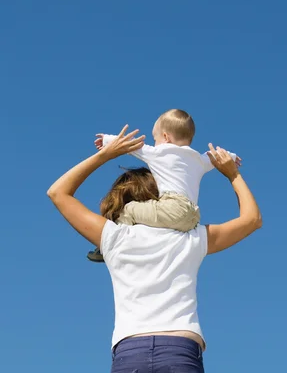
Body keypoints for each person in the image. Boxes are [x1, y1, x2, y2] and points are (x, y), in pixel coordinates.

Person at [47, 125, 262, 373]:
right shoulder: (190, 238)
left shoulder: (114, 237)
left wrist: (106, 154)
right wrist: (232, 174)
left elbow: (58, 192)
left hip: (130, 351)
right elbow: (252, 220)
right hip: (180, 350)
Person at [88, 108, 240, 262]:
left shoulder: (159, 153)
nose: (154, 144)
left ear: (166, 137)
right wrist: (232, 157)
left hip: (172, 207)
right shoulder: (199, 160)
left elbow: (131, 145)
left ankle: (109, 245)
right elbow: (216, 155)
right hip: (193, 217)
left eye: (155, 139)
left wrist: (106, 140)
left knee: (126, 210)